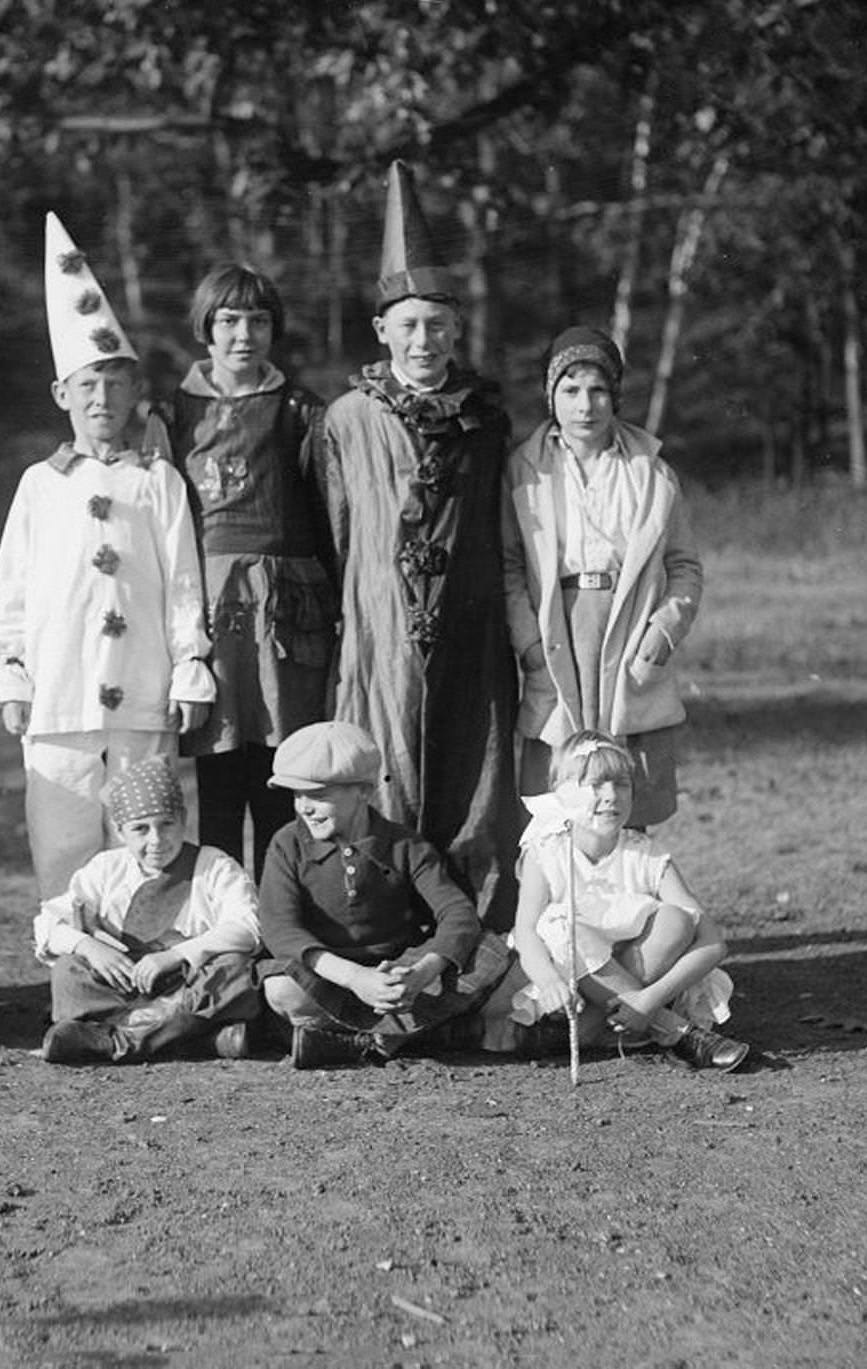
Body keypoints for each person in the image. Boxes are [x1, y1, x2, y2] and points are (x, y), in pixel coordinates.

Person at [0, 212, 214, 902]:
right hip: (59, 693)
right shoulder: (39, 485)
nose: (101, 400)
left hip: (141, 689)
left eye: (115, 384)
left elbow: (181, 582)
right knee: (62, 832)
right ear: (61, 395)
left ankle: (144, 950)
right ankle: (71, 964)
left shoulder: (157, 480)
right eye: (86, 386)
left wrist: (189, 664)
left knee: (143, 828)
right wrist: (14, 669)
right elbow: (13, 590)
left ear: (135, 391)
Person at [316, 161, 518, 928]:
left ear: (456, 328)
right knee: (386, 771)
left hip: (472, 629)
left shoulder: (486, 419)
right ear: (383, 331)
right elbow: (336, 533)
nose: (424, 339)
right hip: (381, 633)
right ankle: (387, 931)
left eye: (437, 324)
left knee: (473, 780)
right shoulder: (348, 421)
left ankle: (474, 938)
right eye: (409, 325)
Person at [158, 262, 336, 877]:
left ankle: (281, 909)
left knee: (279, 772)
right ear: (205, 328)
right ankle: (225, 918)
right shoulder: (174, 414)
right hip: (209, 609)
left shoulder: (299, 410)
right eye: (229, 321)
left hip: (286, 609)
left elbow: (327, 511)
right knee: (219, 775)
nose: (244, 335)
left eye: (258, 321)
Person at [502, 326, 702, 824]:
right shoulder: (525, 471)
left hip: (628, 626)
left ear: (615, 396)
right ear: (552, 397)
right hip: (558, 633)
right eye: (570, 391)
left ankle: (627, 892)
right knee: (558, 785)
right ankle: (561, 896)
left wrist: (665, 629)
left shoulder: (650, 473)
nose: (584, 406)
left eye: (597, 391)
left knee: (626, 782)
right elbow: (508, 566)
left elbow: (683, 566)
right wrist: (528, 643)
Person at [257, 720, 510, 1070]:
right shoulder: (287, 844)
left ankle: (350, 1042)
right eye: (297, 795)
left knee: (488, 953)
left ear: (364, 790)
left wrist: (419, 973)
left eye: (317, 794)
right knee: (282, 989)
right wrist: (354, 978)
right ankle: (412, 1038)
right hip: (328, 974)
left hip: (396, 974)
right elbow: (279, 928)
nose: (304, 807)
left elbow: (457, 913)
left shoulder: (405, 845)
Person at [493, 731, 746, 1071]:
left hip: (638, 982)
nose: (611, 796)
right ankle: (676, 1032)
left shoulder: (645, 854)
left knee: (677, 919)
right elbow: (525, 931)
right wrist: (548, 980)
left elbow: (713, 943)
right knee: (557, 924)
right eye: (596, 785)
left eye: (622, 784)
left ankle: (618, 1025)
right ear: (561, 791)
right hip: (567, 992)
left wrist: (647, 1001)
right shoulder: (547, 853)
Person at [32, 757, 262, 1064]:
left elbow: (249, 925)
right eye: (140, 829)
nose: (156, 840)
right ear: (119, 830)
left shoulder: (213, 865)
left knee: (235, 969)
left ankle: (117, 1040)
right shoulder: (106, 868)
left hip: (185, 986)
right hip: (123, 989)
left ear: (183, 818)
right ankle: (193, 1040)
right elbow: (48, 923)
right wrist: (89, 946)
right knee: (68, 970)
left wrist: (175, 956)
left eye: (166, 824)